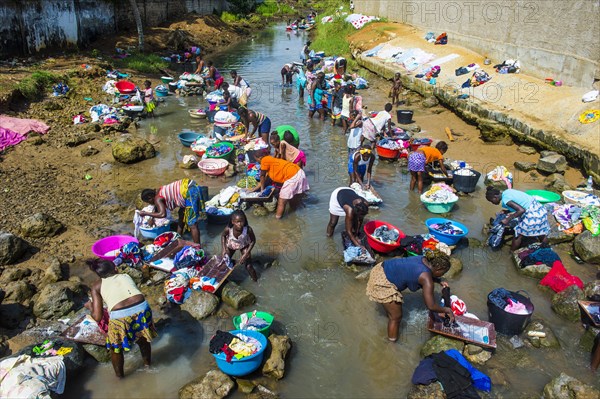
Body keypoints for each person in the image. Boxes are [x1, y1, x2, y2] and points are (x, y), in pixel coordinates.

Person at [86, 259, 157, 378]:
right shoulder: (125, 275)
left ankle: (120, 378)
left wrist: (90, 306)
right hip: (142, 308)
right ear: (115, 269)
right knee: (143, 338)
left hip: (120, 316)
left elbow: (97, 317)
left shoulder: (97, 285)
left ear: (99, 275)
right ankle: (147, 366)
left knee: (116, 347)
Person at [366, 251, 454, 342]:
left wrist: (438, 280)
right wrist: (446, 310)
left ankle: (389, 311)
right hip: (382, 282)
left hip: (381, 268)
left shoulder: (423, 259)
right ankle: (391, 344)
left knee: (393, 311)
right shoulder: (426, 278)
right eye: (442, 273)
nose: (442, 275)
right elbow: (431, 306)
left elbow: (421, 271)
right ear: (439, 268)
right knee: (396, 317)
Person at [140, 179, 206, 244]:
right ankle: (178, 238)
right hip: (188, 186)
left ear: (150, 197)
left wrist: (145, 213)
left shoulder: (157, 199)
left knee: (192, 223)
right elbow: (156, 208)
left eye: (148, 202)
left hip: (190, 191)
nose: (150, 204)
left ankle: (198, 249)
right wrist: (152, 218)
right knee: (181, 214)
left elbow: (162, 214)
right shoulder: (158, 192)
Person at [485, 186, 551, 251]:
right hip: (540, 210)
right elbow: (521, 203)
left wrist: (507, 219)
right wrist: (507, 211)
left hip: (533, 215)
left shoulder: (506, 200)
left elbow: (521, 210)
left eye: (491, 201)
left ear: (495, 197)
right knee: (541, 233)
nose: (493, 203)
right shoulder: (507, 192)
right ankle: (547, 249)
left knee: (518, 234)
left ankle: (511, 253)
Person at [253, 149, 310, 219]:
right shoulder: (270, 159)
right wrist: (254, 189)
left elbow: (262, 176)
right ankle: (294, 214)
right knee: (292, 197)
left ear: (260, 158)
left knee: (281, 201)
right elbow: (266, 178)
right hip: (299, 172)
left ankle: (278, 221)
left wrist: (262, 190)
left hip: (293, 177)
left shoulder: (264, 160)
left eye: (257, 160)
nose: (257, 162)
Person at [221, 210, 258, 281]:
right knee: (225, 261)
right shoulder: (228, 229)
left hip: (243, 245)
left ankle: (256, 281)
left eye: (242, 221)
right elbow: (223, 236)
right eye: (237, 222)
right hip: (231, 245)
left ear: (245, 220)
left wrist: (245, 254)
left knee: (249, 266)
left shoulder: (248, 229)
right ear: (232, 222)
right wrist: (223, 249)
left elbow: (253, 241)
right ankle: (224, 280)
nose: (240, 224)